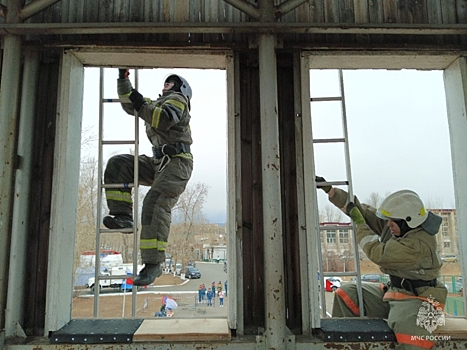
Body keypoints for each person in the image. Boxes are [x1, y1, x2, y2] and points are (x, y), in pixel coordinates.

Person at [316, 176, 447, 350]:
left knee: (412, 339)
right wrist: (331, 191)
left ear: (409, 221)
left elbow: (377, 253)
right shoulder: (401, 228)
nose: (388, 225)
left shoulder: (419, 244)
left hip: (421, 300)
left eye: (393, 221)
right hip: (396, 293)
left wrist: (360, 224)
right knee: (346, 293)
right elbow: (361, 211)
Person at [103, 69, 193, 286]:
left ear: (181, 88)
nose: (166, 84)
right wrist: (124, 81)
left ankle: (153, 264)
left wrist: (139, 102)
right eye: (165, 82)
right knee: (119, 164)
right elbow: (130, 103)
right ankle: (123, 216)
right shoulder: (156, 103)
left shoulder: (178, 101)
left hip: (177, 162)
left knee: (155, 203)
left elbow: (163, 119)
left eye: (171, 82)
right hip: (157, 162)